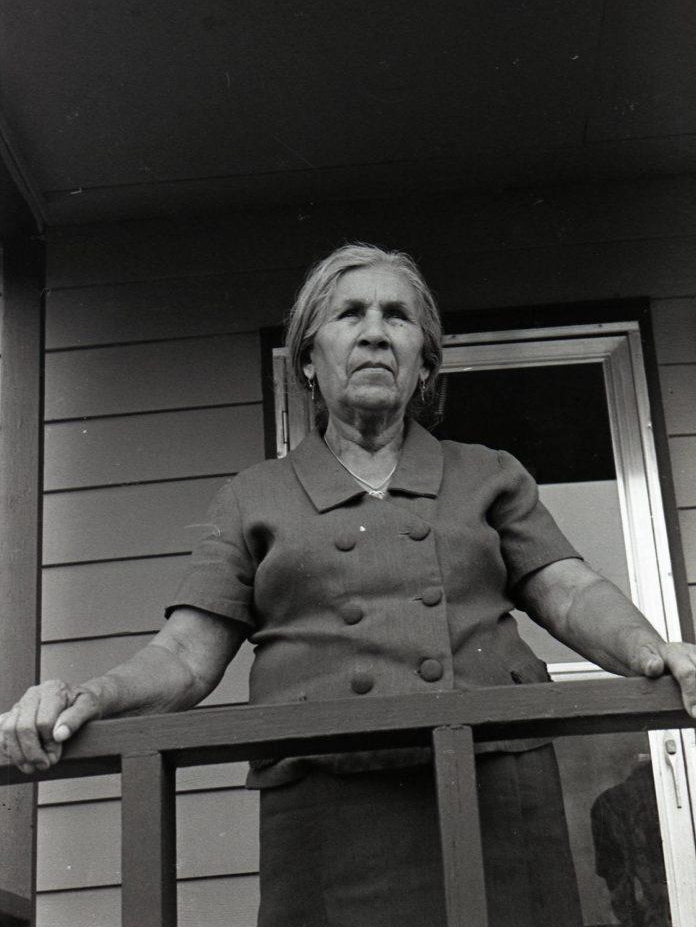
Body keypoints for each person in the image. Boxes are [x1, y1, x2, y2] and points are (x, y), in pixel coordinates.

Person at [2, 242, 696, 927]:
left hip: (492, 790)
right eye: (349, 315)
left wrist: (649, 648)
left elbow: (568, 591)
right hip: (330, 808)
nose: (373, 332)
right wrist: (95, 695)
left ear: (424, 358)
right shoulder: (253, 496)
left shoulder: (489, 473)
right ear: (308, 357)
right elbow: (186, 656)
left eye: (397, 316)